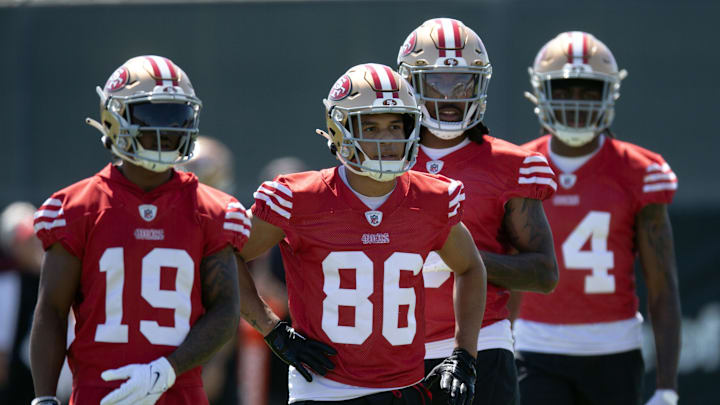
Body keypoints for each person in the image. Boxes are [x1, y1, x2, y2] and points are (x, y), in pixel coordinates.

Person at [235, 63, 487, 404]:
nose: (385, 139)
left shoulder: (433, 199)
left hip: (405, 388)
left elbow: (470, 268)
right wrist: (272, 329)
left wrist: (464, 355)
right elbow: (223, 256)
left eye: (395, 126)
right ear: (339, 130)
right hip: (323, 390)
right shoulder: (299, 198)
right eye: (370, 126)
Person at [29, 55, 247, 405]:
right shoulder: (76, 207)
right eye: (153, 116)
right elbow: (51, 310)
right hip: (97, 393)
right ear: (113, 120)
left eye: (176, 116)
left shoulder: (213, 210)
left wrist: (168, 369)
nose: (167, 129)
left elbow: (225, 310)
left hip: (178, 391)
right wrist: (43, 397)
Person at [396, 18, 559, 405]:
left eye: (463, 82)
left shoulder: (512, 164)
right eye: (436, 82)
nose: (451, 96)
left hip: (483, 346)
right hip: (391, 347)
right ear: (409, 84)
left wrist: (462, 260)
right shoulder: (381, 158)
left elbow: (543, 272)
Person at [512, 31, 681, 405]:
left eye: (588, 90)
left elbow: (662, 284)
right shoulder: (517, 167)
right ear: (541, 94)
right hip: (534, 346)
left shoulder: (641, 171)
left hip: (613, 348)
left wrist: (667, 388)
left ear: (609, 94)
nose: (576, 102)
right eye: (565, 90)